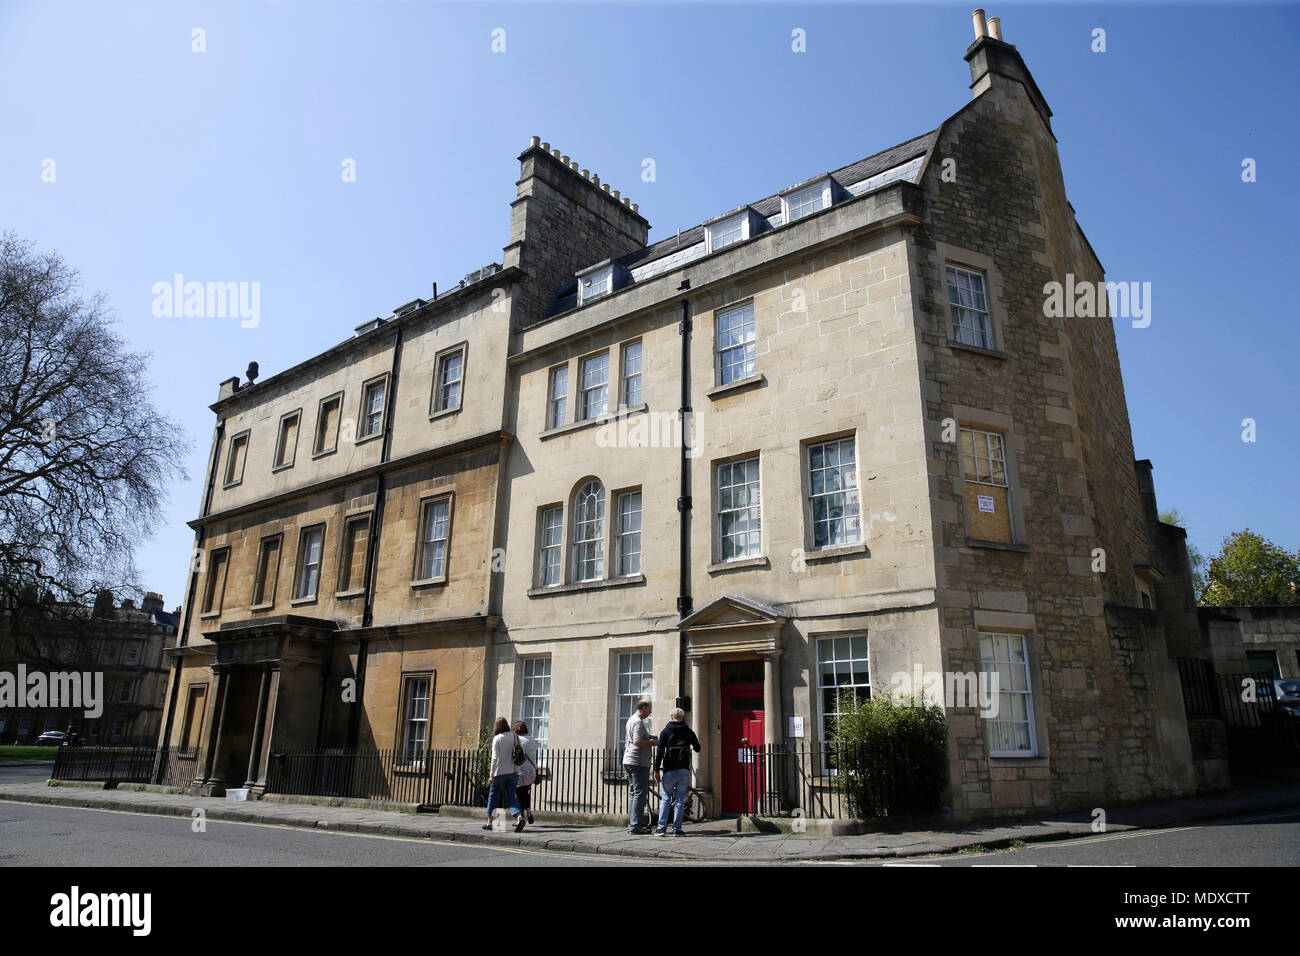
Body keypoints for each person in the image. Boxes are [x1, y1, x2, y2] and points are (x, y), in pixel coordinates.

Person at [653, 708, 701, 836]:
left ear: (671, 717)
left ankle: (661, 828)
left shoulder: (665, 732)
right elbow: (698, 748)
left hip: (669, 769)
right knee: (680, 800)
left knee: (666, 798)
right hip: (683, 769)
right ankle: (677, 829)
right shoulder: (688, 731)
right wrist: (691, 746)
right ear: (683, 717)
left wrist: (656, 770)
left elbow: (659, 753)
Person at [622, 697, 657, 834]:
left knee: (633, 793)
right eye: (649, 709)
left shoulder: (631, 720)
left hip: (629, 761)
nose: (650, 712)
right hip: (638, 762)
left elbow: (637, 738)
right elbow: (637, 741)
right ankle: (635, 825)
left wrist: (648, 736)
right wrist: (653, 743)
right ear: (643, 708)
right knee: (639, 793)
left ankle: (633, 823)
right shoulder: (637, 722)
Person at [484, 716, 525, 832]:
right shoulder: (515, 736)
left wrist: (491, 775)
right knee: (512, 797)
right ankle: (519, 817)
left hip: (499, 773)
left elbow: (494, 759)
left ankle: (490, 822)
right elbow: (519, 752)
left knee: (493, 797)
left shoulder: (497, 738)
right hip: (513, 772)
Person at [512, 719, 539, 825]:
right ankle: (529, 812)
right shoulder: (532, 739)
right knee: (526, 792)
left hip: (521, 771)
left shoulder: (518, 740)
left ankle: (520, 819)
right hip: (532, 771)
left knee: (519, 793)